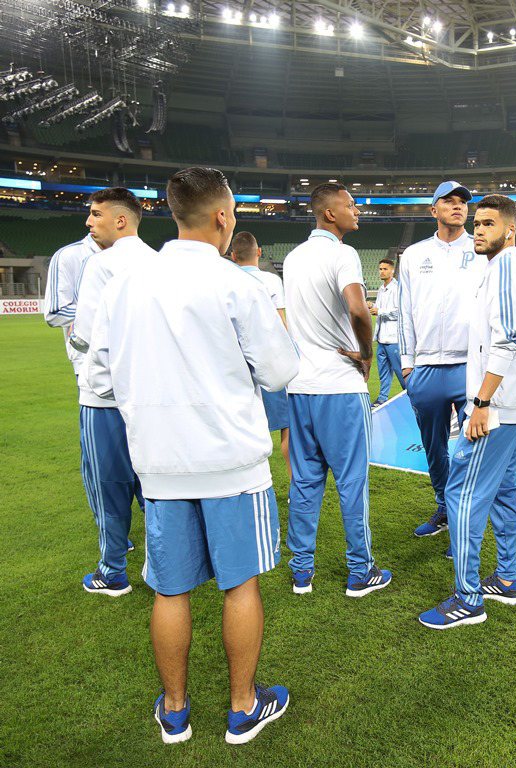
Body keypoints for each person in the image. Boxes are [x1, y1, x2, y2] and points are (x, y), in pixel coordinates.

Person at [85, 167, 299, 744]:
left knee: (169, 588)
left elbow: (99, 370)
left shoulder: (125, 283)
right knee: (240, 585)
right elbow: (280, 370)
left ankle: (176, 711)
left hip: (159, 462)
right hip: (232, 461)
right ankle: (242, 707)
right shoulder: (238, 284)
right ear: (223, 217)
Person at [418, 194, 516, 629]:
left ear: (510, 230)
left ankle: (468, 599)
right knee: (505, 491)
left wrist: (482, 403)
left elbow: (508, 339)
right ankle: (506, 578)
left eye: (489, 223)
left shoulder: (504, 267)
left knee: (462, 493)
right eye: (478, 224)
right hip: (511, 403)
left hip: (495, 406)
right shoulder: (501, 268)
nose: (480, 230)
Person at [282, 183, 391, 597]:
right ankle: (361, 571)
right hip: (340, 387)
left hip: (300, 387)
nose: (357, 210)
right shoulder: (343, 254)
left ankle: (301, 572)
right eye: (350, 204)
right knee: (352, 482)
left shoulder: (293, 257)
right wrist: (367, 353)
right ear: (330, 213)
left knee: (305, 482)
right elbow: (358, 309)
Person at [70, 187, 156, 596]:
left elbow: (86, 335)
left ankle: (113, 571)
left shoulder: (100, 263)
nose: (89, 222)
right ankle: (163, 568)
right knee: (153, 485)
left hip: (104, 400)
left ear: (120, 220)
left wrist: (90, 376)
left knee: (107, 486)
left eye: (96, 214)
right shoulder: (159, 263)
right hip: (151, 398)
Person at [398, 180, 486, 544]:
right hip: (427, 367)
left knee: (472, 448)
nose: (458, 206)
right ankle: (444, 508)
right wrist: (407, 365)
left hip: (470, 366)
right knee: (434, 448)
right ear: (433, 210)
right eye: (448, 201)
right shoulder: (413, 255)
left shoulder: (482, 251)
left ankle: (466, 521)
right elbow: (404, 312)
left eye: (462, 201)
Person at [229, 231, 291, 479]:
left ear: (233, 256)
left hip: (234, 364)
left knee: (239, 428)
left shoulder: (225, 278)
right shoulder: (271, 281)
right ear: (259, 252)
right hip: (268, 360)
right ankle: (294, 486)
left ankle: (243, 481)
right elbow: (281, 324)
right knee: (287, 426)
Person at [44, 230, 102, 375]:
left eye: (97, 217)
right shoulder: (69, 255)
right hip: (89, 362)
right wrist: (107, 313)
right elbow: (54, 313)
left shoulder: (138, 255)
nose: (89, 221)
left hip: (133, 358)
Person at [369, 257, 405, 407]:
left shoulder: (397, 289)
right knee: (383, 372)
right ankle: (382, 398)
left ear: (392, 270)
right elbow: (380, 307)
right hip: (381, 338)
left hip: (393, 339)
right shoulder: (381, 289)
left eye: (385, 269)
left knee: (401, 371)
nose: (382, 272)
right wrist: (372, 305)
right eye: (380, 269)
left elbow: (399, 312)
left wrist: (380, 311)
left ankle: (412, 396)